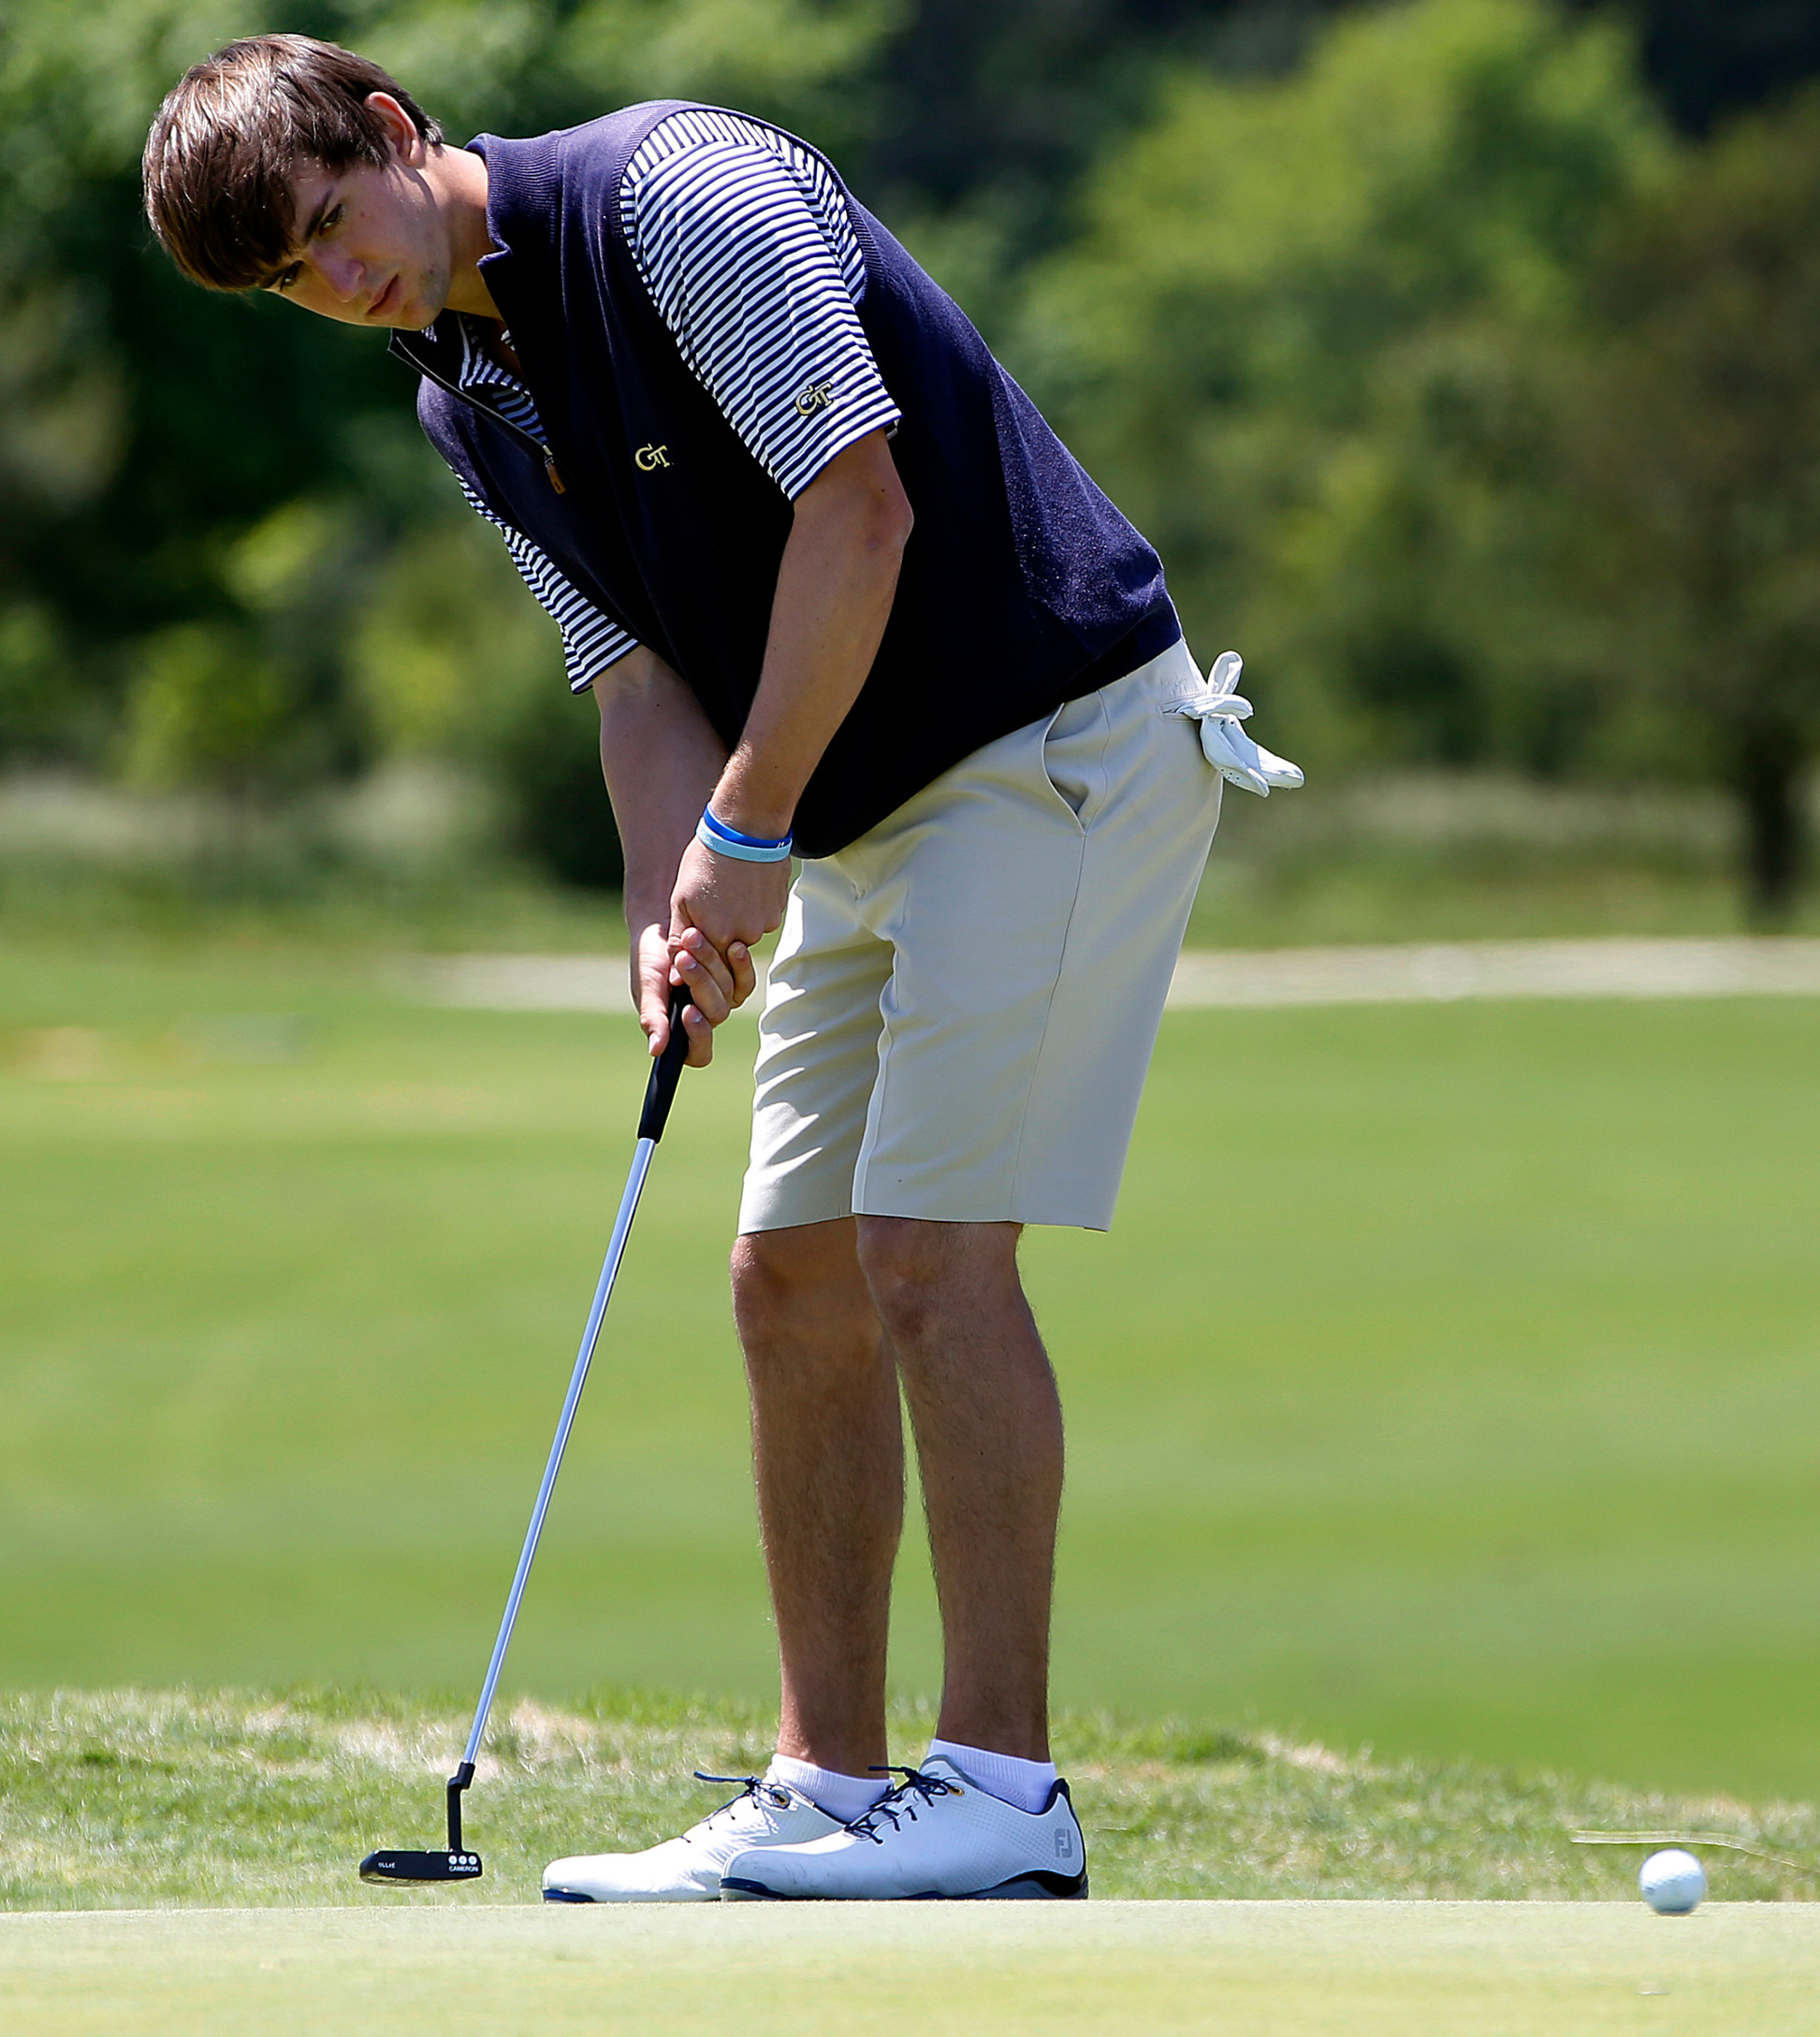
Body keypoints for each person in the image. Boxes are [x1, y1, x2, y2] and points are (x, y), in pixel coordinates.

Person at [142, 34, 1299, 1903]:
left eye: (327, 227)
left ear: (388, 130)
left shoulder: (677, 195)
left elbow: (863, 508)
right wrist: (661, 905)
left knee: (928, 1252)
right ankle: (824, 1788)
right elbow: (635, 684)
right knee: (788, 1281)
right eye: (291, 280)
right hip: (850, 801)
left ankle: (1002, 1789)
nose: (334, 285)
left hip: (1054, 735)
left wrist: (744, 838)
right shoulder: (460, 394)